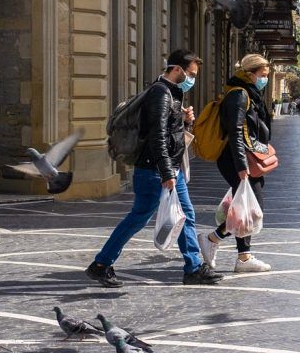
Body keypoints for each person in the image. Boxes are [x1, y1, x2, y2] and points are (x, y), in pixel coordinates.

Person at [86, 50, 221, 287]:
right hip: (155, 171)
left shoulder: (169, 93)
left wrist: (183, 120)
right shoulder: (160, 94)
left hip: (167, 168)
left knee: (186, 215)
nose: (192, 80)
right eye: (191, 74)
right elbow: (156, 136)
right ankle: (101, 264)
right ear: (177, 69)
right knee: (138, 218)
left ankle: (193, 267)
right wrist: (167, 172)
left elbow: (166, 130)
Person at [200, 54, 273, 274]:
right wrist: (242, 167)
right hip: (236, 159)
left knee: (245, 208)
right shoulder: (239, 95)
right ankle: (212, 239)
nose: (264, 79)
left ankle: (243, 257)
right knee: (253, 209)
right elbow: (235, 132)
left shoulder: (247, 93)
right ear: (250, 74)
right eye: (262, 75)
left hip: (241, 157)